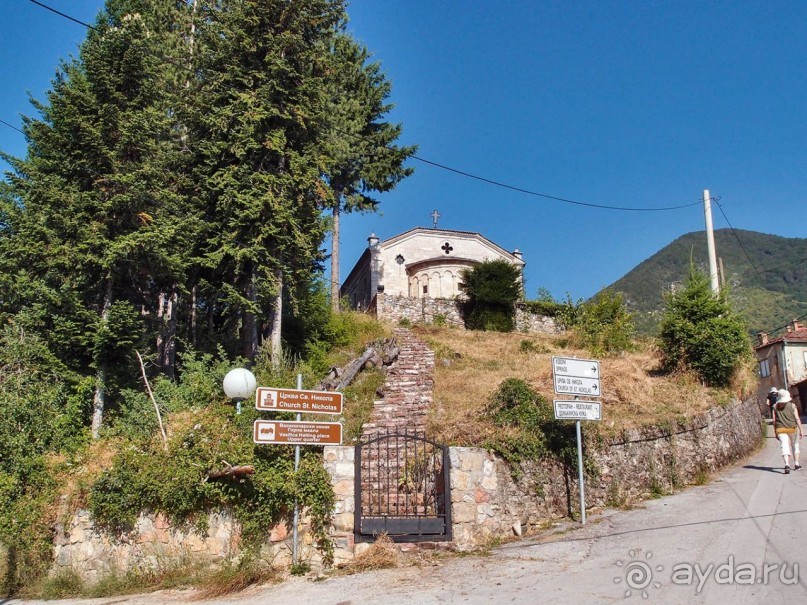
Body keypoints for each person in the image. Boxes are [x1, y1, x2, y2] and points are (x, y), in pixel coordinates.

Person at [772, 388, 804, 474]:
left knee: (784, 446)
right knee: (795, 445)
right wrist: (801, 430)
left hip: (780, 429)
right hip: (792, 428)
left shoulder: (775, 407)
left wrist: (775, 431)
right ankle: (796, 464)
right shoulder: (793, 406)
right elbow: (797, 418)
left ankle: (787, 465)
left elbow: (774, 421)